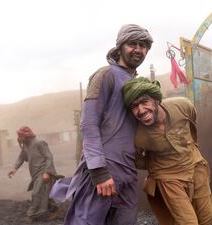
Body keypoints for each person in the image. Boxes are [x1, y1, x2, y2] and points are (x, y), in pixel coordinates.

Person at [49, 24, 153, 225]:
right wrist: (99, 171)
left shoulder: (137, 82)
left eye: (143, 45)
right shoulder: (106, 75)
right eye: (132, 44)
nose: (138, 50)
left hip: (127, 173)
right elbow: (88, 124)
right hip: (103, 171)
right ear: (120, 46)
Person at [122, 77, 212, 225]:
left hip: (196, 167)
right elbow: (138, 160)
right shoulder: (139, 135)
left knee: (206, 218)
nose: (141, 110)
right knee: (188, 222)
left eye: (145, 102)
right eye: (134, 107)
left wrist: (192, 148)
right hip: (169, 178)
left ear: (156, 100)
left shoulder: (182, 106)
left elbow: (192, 124)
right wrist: (158, 167)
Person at [8, 126, 58, 222]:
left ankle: (32, 215)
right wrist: (14, 169)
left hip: (43, 173)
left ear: (26, 136)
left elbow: (49, 157)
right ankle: (54, 210)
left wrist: (47, 172)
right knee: (44, 193)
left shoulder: (39, 143)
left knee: (36, 193)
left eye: (20, 136)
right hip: (35, 174)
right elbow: (21, 158)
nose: (19, 138)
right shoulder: (26, 146)